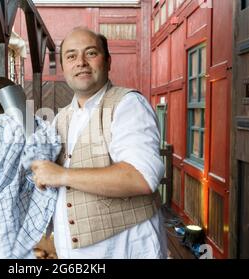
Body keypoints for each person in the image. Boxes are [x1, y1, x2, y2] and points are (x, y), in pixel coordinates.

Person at [30, 27, 168, 259]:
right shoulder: (61, 118)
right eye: (71, 56)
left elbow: (141, 178)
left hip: (125, 250)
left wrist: (61, 175)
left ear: (108, 61)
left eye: (91, 53)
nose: (81, 62)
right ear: (63, 67)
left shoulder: (128, 105)